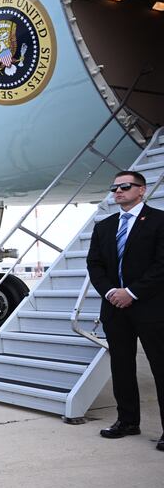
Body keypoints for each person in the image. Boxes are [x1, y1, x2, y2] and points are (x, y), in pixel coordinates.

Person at [86, 170, 164, 452]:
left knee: (160, 368)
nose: (118, 191)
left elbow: (161, 265)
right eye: (114, 187)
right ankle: (128, 421)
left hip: (151, 308)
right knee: (122, 368)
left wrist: (131, 292)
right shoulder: (105, 226)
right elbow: (94, 265)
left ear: (141, 190)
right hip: (115, 309)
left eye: (125, 186)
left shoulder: (159, 221)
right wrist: (111, 292)